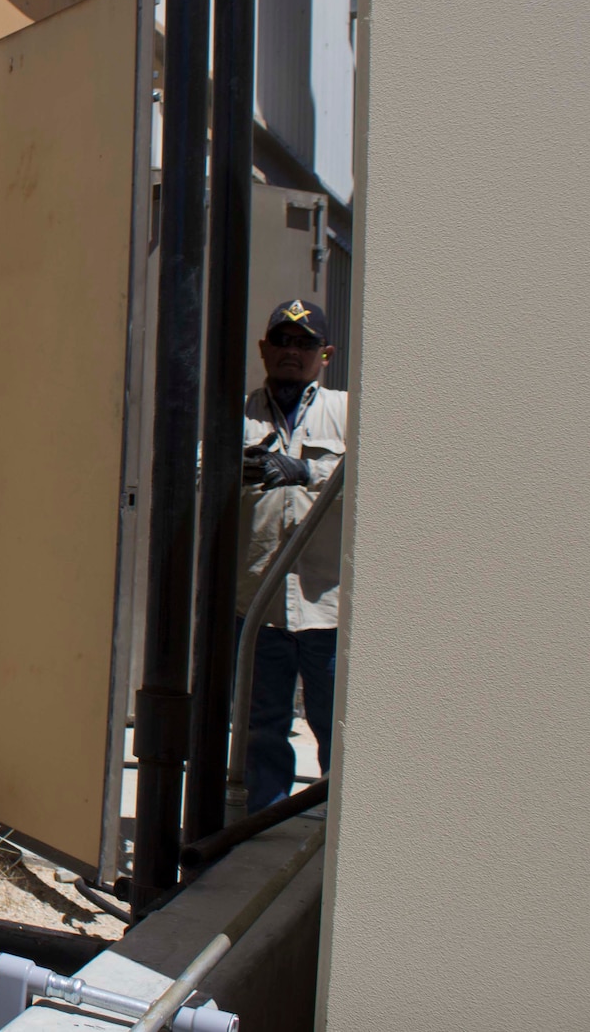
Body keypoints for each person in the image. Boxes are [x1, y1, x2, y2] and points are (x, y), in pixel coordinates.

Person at [237, 298, 349, 810]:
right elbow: (192, 476)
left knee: (335, 724)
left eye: (305, 344)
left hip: (326, 604)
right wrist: (236, 469)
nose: (291, 351)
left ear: (324, 355)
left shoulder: (347, 412)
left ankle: (331, 827)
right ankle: (265, 821)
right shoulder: (237, 415)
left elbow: (377, 483)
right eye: (282, 340)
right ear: (264, 348)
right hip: (260, 605)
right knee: (263, 725)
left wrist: (307, 472)